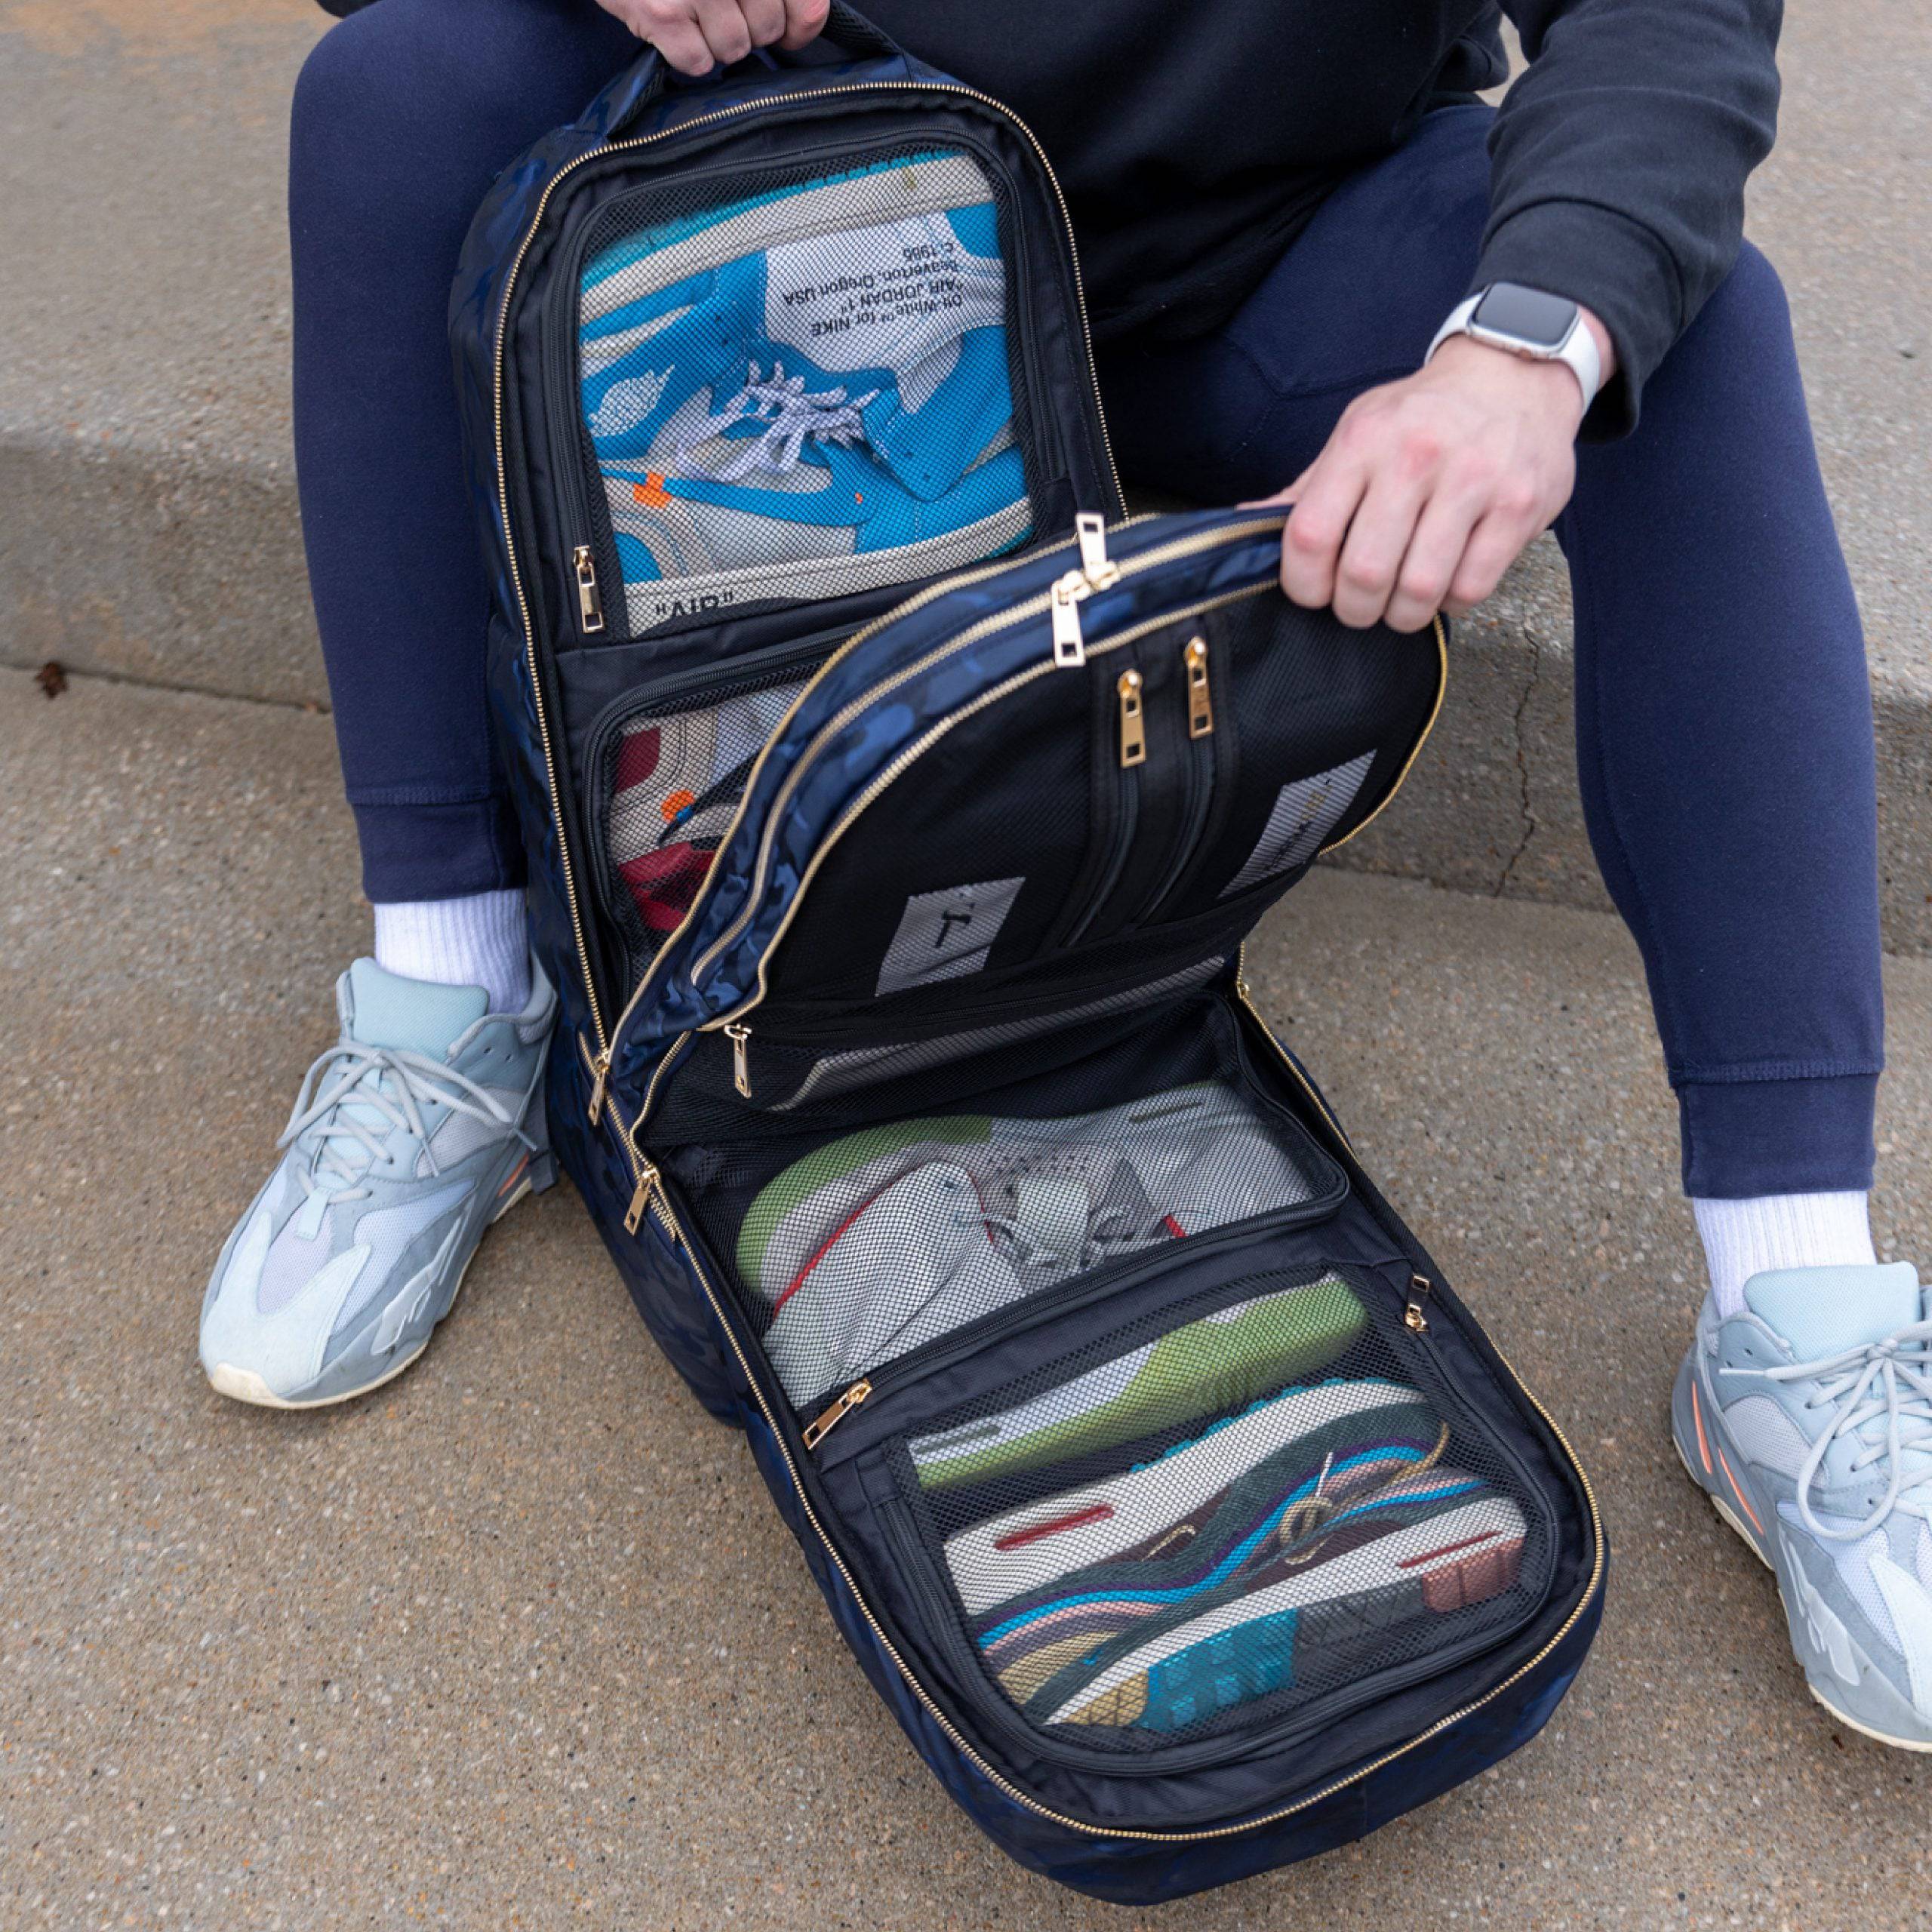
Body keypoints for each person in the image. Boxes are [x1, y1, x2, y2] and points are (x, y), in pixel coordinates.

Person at [198, 0, 1932, 1749]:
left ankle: (1789, 1314)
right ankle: (457, 998)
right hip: (817, 190)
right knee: (390, 92)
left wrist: (1518, 353)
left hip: (1242, 263)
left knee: (1678, 319)